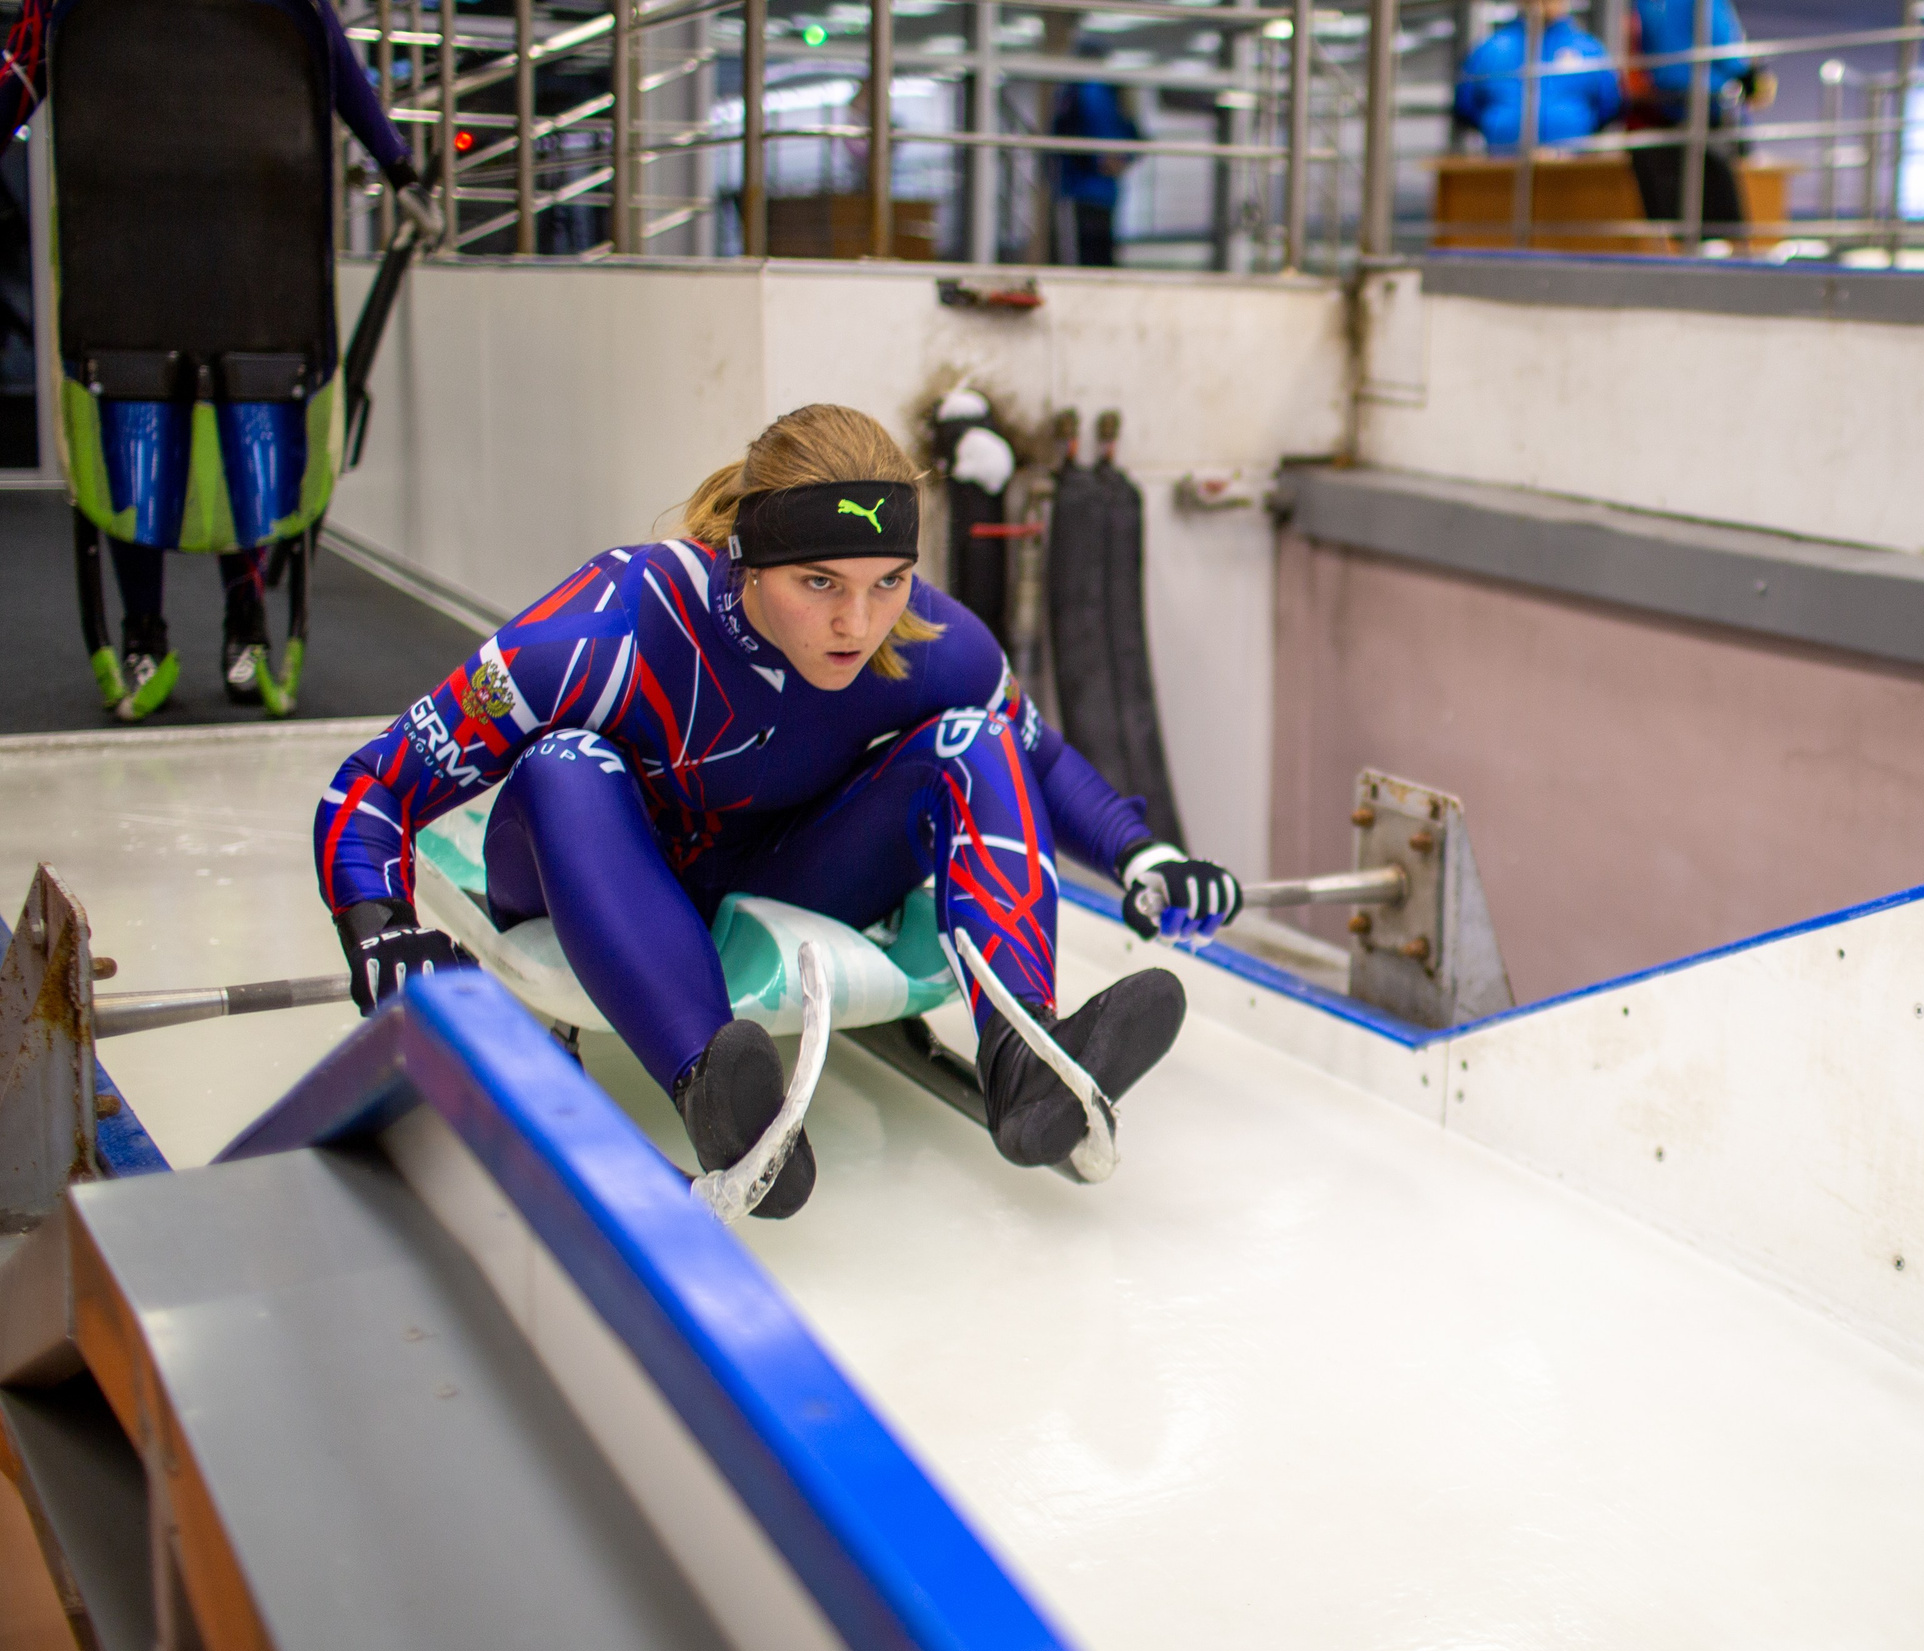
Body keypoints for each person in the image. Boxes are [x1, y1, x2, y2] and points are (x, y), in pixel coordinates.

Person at [312, 404, 1244, 1217]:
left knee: (976, 738)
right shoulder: (613, 622)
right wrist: (378, 926)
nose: (858, 623)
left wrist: (1143, 854)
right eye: (821, 584)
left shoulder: (921, 634)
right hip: (587, 865)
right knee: (565, 762)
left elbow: (1036, 753)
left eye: (887, 580)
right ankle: (711, 1083)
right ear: (751, 561)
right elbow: (373, 785)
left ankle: (1023, 1056)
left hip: (774, 862)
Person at [0, 0, 426, 719]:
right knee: (143, 442)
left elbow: (325, 54)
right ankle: (155, 634)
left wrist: (400, 168)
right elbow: (25, 69)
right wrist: (398, 166)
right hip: (136, 250)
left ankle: (236, 628)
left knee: (241, 437)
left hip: (244, 252)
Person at [1621, 0, 1765, 239]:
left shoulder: (1644, 4)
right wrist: (1751, 79)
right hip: (1704, 108)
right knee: (1718, 216)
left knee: (1676, 213)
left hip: (1663, 107)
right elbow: (1728, 54)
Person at [1453, 0, 1623, 154]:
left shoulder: (1589, 49)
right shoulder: (1490, 50)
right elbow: (1465, 106)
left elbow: (1610, 105)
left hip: (1573, 168)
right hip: (1502, 168)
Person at [1052, 45, 1143, 267]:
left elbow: (1066, 134)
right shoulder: (1101, 92)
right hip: (1091, 188)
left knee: (1088, 254)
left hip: (1088, 188)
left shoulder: (1083, 91)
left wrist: (1111, 161)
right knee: (1095, 252)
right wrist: (1117, 160)